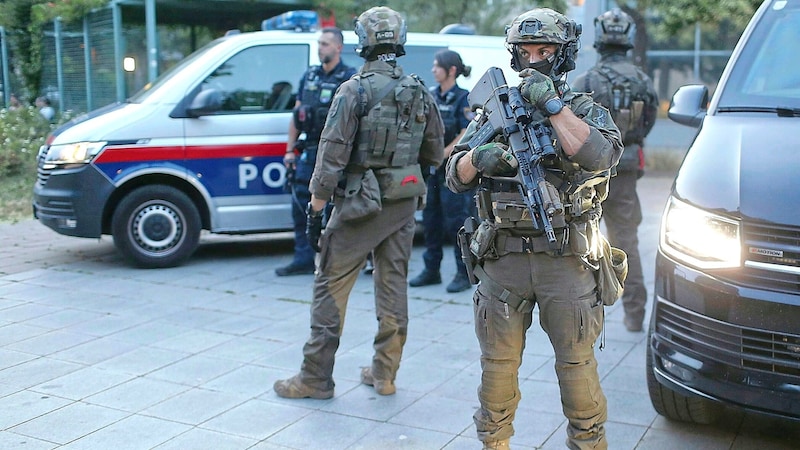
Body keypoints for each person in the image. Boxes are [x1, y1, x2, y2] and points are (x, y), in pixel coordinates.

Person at [445, 8, 623, 450]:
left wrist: (553, 105)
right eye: (525, 52)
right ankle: (494, 442)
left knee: (577, 369)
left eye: (544, 51)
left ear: (561, 57)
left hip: (566, 259)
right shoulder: (494, 110)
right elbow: (453, 175)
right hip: (502, 258)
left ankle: (588, 443)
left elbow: (601, 156)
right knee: (497, 370)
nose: (533, 60)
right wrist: (478, 158)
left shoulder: (581, 109)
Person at [273, 6, 444, 399]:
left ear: (362, 42)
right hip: (402, 205)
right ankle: (385, 375)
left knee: (329, 287)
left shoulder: (353, 90)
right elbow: (435, 155)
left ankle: (315, 377)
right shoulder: (420, 90)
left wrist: (315, 208)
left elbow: (330, 156)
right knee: (393, 288)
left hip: (356, 207)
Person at [571, 9, 659, 332]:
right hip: (627, 168)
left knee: (583, 239)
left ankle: (587, 312)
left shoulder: (587, 81)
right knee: (627, 240)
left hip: (591, 172)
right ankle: (634, 314)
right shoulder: (642, 79)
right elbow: (648, 121)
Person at [276, 27, 357, 276]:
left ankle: (338, 260)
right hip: (310, 150)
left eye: (325, 44)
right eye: (319, 43)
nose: (320, 48)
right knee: (301, 204)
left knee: (337, 208)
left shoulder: (350, 78)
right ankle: (303, 257)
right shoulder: (310, 76)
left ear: (338, 48)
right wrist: (290, 149)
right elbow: (296, 114)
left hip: (336, 153)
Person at [409, 49, 475, 293]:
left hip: (453, 172)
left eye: (437, 66)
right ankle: (431, 270)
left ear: (452, 71)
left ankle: (463, 272)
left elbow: (466, 132)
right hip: (431, 172)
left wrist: (442, 154)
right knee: (431, 221)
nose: (433, 70)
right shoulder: (431, 96)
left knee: (457, 224)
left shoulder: (463, 98)